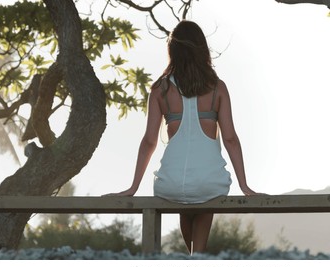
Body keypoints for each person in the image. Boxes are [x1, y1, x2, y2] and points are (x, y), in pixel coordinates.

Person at [106, 20, 259, 254]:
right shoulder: (217, 88)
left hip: (171, 184)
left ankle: (193, 259)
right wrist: (244, 185)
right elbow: (230, 139)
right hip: (209, 184)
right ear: (202, 49)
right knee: (206, 194)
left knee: (185, 196)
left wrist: (133, 186)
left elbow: (149, 141)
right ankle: (197, 259)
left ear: (173, 51)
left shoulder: (160, 89)